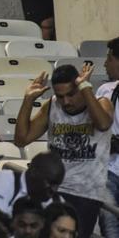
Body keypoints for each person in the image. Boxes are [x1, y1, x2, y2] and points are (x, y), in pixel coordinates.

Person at [14, 64, 113, 238]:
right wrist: (28, 100)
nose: (66, 101)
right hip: (52, 188)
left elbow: (103, 124)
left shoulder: (101, 103)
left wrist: (85, 88)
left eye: (71, 94)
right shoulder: (52, 106)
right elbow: (21, 139)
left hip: (85, 192)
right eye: (60, 96)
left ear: (81, 88)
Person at [0, 151, 65, 215]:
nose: (54, 190)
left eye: (57, 184)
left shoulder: (57, 202)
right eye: (50, 182)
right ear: (33, 172)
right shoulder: (4, 180)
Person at [99, 36, 119, 237]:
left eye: (109, 59)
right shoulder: (106, 91)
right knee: (110, 226)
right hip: (110, 169)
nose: (105, 64)